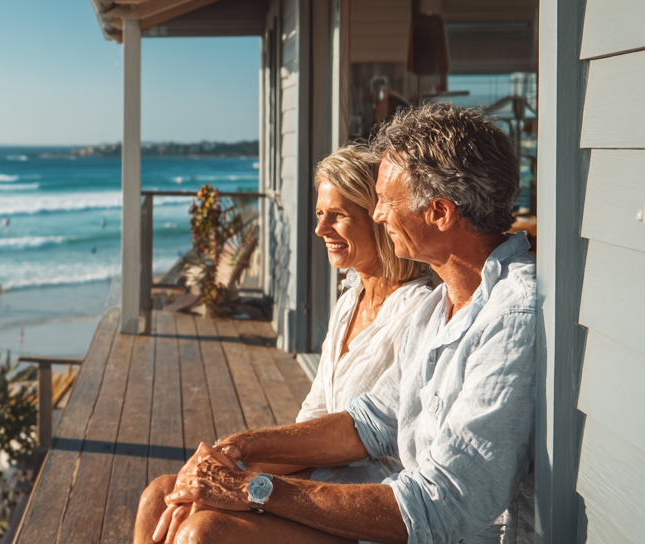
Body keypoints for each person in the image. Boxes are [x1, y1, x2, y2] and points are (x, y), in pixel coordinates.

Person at [145, 102, 536, 544]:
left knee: (207, 531)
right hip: (406, 514)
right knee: (165, 495)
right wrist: (240, 448)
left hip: (442, 532)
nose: (379, 214)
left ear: (440, 212)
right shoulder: (440, 307)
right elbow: (367, 423)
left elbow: (440, 508)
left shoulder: (511, 316)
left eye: (387, 202)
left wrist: (252, 487)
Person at [134, 144, 436, 544]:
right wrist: (220, 469)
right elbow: (312, 419)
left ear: (378, 217)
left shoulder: (419, 310)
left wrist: (240, 475)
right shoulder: (350, 300)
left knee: (203, 532)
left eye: (338, 215)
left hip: (363, 501)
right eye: (319, 214)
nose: (320, 229)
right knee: (161, 494)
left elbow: (371, 438)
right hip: (314, 478)